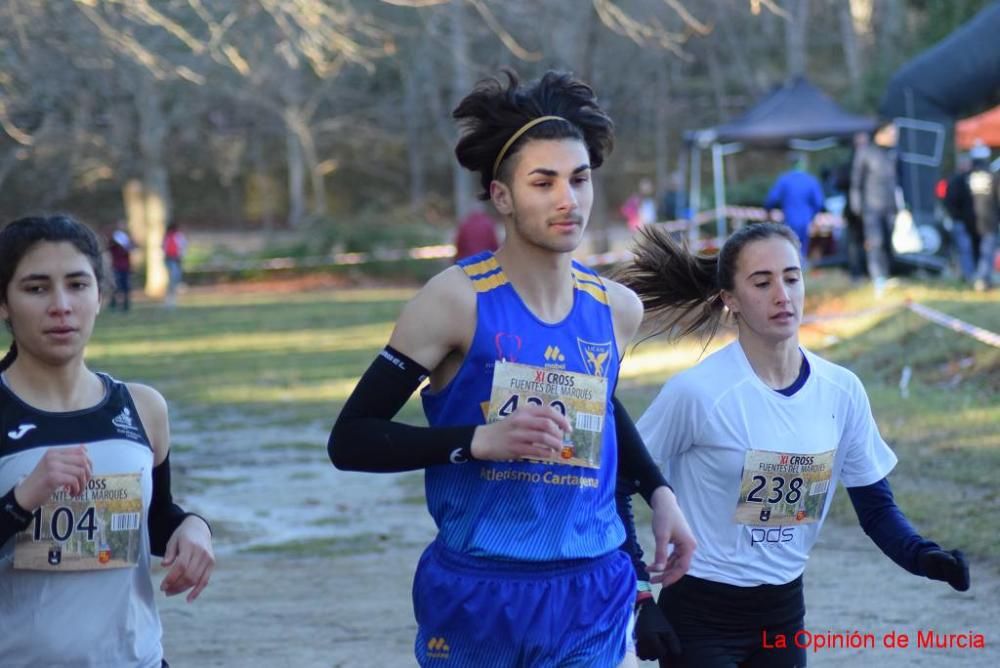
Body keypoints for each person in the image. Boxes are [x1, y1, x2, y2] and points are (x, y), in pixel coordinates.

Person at [328, 70, 695, 668]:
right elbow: (351, 440)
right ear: (502, 196)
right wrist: (476, 442)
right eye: (542, 182)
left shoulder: (617, 310)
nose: (566, 199)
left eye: (579, 180)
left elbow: (600, 410)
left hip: (591, 587)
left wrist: (661, 493)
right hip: (480, 591)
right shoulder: (453, 302)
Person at [616, 222, 971, 668]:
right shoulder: (698, 394)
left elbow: (876, 508)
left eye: (792, 277)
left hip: (782, 618)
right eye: (762, 283)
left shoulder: (842, 391)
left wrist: (923, 556)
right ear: (730, 299)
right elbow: (612, 486)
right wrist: (641, 598)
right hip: (699, 616)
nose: (782, 294)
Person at [0, 215, 215, 667]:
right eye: (36, 289)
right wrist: (21, 500)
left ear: (101, 295)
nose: (61, 305)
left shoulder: (142, 407)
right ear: (4, 303)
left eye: (77, 285)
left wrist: (191, 527)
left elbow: (154, 521)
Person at [851, 121, 899, 296]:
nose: (895, 137)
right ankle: (878, 277)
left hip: (890, 207)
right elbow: (856, 181)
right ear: (880, 133)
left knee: (888, 242)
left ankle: (886, 274)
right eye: (892, 133)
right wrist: (856, 204)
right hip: (871, 207)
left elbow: (899, 181)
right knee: (875, 242)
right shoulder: (865, 153)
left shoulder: (893, 154)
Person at [764, 153, 825, 262]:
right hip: (805, 220)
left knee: (790, 246)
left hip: (789, 219)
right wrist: (813, 215)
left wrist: (768, 212)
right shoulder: (810, 180)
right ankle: (800, 269)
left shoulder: (784, 180)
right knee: (802, 247)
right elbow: (819, 203)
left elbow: (771, 199)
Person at [965, 143, 998, 292]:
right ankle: (982, 279)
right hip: (988, 220)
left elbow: (953, 198)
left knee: (973, 250)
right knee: (987, 251)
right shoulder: (993, 177)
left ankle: (974, 276)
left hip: (970, 221)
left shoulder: (964, 176)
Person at [942, 154, 977, 283]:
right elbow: (949, 202)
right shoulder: (955, 181)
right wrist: (956, 215)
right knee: (964, 248)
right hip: (960, 221)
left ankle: (968, 274)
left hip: (969, 221)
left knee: (966, 248)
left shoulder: (970, 180)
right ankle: (968, 275)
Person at [108, 224, 133, 311]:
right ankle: (114, 303)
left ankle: (125, 304)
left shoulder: (125, 246)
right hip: (117, 267)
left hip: (124, 268)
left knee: (124, 286)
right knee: (116, 286)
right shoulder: (114, 246)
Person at [162, 222, 187, 308]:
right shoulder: (168, 236)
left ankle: (171, 299)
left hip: (176, 259)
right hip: (170, 259)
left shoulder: (178, 236)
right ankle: (170, 300)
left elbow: (183, 246)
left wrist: (181, 255)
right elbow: (164, 248)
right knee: (173, 278)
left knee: (174, 279)